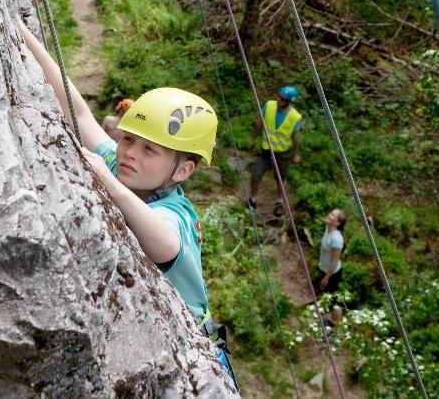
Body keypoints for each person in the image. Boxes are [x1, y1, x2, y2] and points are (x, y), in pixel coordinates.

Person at [19, 20, 238, 390]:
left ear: (183, 170)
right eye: (127, 140)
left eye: (149, 149)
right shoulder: (123, 164)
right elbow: (80, 113)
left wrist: (106, 180)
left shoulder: (175, 214)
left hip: (195, 354)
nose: (130, 153)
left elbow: (165, 244)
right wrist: (22, 35)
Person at [248, 86, 302, 216]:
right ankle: (253, 199)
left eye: (282, 99)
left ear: (288, 102)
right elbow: (260, 123)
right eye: (278, 96)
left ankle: (279, 202)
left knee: (280, 179)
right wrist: (253, 139)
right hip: (266, 151)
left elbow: (296, 138)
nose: (278, 99)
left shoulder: (295, 117)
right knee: (255, 175)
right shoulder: (269, 106)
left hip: (283, 154)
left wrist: (295, 154)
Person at [317, 208, 347, 294]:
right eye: (330, 213)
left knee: (329, 295)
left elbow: (335, 260)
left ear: (337, 223)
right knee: (323, 291)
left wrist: (326, 278)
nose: (329, 215)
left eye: (332, 215)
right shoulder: (328, 228)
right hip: (323, 268)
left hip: (331, 274)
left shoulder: (336, 239)